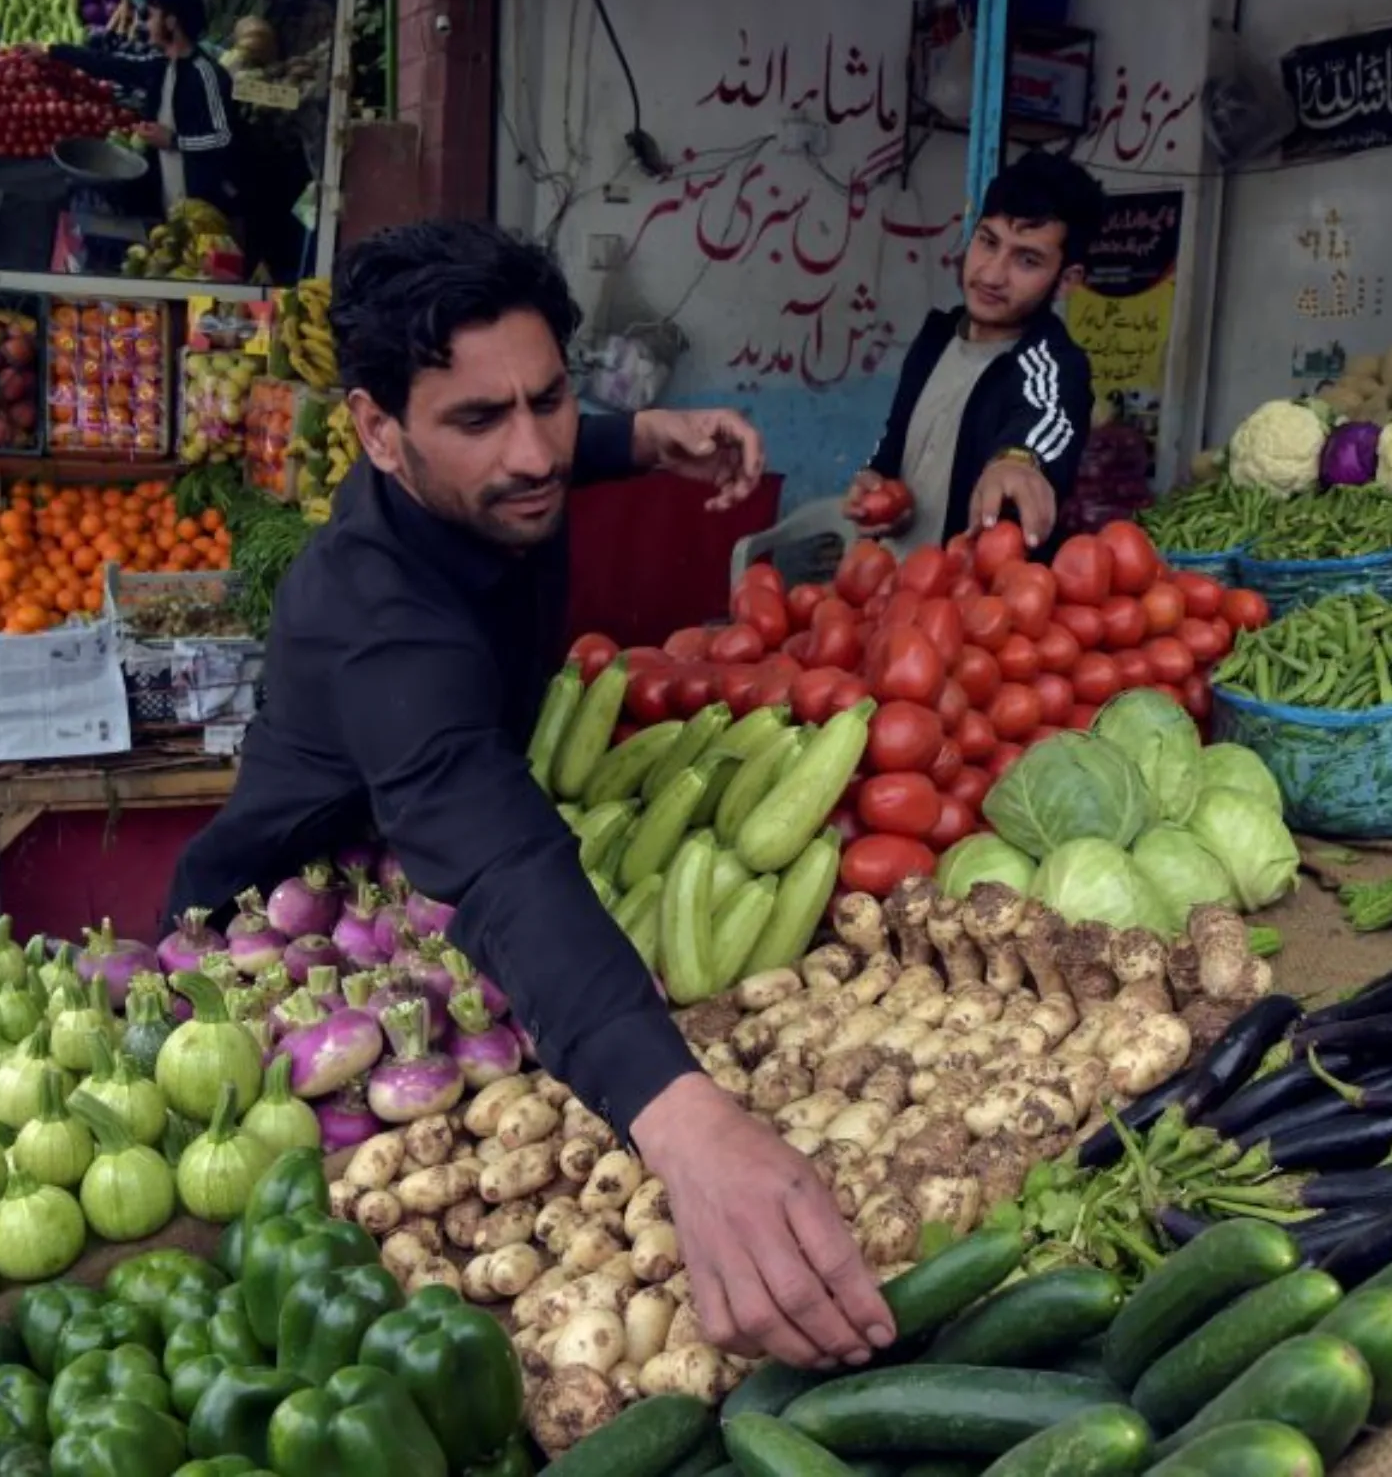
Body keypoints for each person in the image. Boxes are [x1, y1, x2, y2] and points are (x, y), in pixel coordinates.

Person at [161, 221, 897, 1371]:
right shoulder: (375, 616)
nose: (535, 453)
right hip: (299, 955)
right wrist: (684, 1121)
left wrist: (643, 436)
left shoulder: (511, 463)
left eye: (549, 399)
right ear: (377, 431)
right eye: (478, 421)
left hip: (429, 901)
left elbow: (538, 439)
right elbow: (501, 858)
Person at [847, 152, 1106, 555]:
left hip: (972, 610)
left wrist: (1018, 460)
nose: (991, 274)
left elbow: (1047, 416)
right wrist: (875, 477)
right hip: (891, 593)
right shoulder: (935, 338)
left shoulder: (1054, 364)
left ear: (1067, 280)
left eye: (1027, 259)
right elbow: (896, 438)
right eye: (988, 242)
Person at [49, 0, 238, 219]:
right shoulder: (161, 66)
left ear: (171, 22)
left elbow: (223, 137)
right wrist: (52, 51)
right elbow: (109, 64)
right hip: (164, 198)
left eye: (151, 17)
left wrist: (173, 141)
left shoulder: (207, 74)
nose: (145, 24)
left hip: (199, 205)